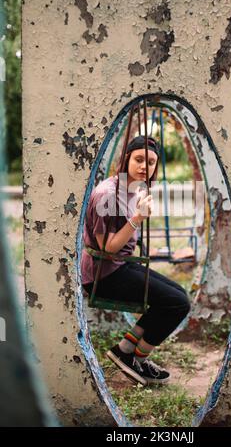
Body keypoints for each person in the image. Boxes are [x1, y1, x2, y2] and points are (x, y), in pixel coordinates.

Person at [81, 136, 191, 386]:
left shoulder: (131, 188)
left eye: (151, 162)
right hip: (103, 275)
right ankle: (137, 361)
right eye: (139, 159)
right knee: (177, 303)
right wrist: (138, 218)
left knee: (178, 295)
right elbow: (108, 248)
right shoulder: (107, 195)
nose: (145, 166)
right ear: (126, 159)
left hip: (120, 265)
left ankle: (125, 350)